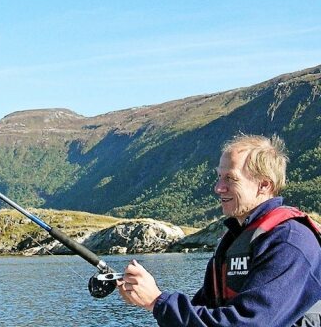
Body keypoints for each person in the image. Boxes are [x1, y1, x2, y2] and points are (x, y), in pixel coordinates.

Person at [117, 134, 321, 326]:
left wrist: (156, 301)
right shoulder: (233, 241)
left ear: (264, 185)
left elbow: (248, 322)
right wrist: (147, 298)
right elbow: (203, 309)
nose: (218, 188)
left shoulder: (290, 242)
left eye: (230, 179)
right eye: (219, 177)